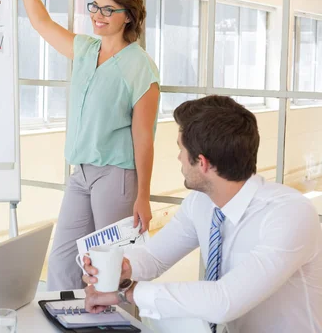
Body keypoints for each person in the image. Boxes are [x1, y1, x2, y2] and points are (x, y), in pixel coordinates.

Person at [0, 0, 160, 291]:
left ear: (128, 17)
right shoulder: (85, 49)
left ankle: (118, 327)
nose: (98, 14)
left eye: (109, 9)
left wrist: (143, 195)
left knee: (112, 270)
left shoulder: (140, 65)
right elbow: (42, 23)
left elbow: (144, 136)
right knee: (64, 261)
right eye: (95, 6)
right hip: (81, 173)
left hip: (117, 175)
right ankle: (63, 321)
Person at [82, 96, 322, 333]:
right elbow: (155, 258)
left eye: (181, 149)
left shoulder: (289, 214)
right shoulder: (201, 202)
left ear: (203, 163)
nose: (178, 158)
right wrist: (123, 270)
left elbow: (225, 301)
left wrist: (127, 293)